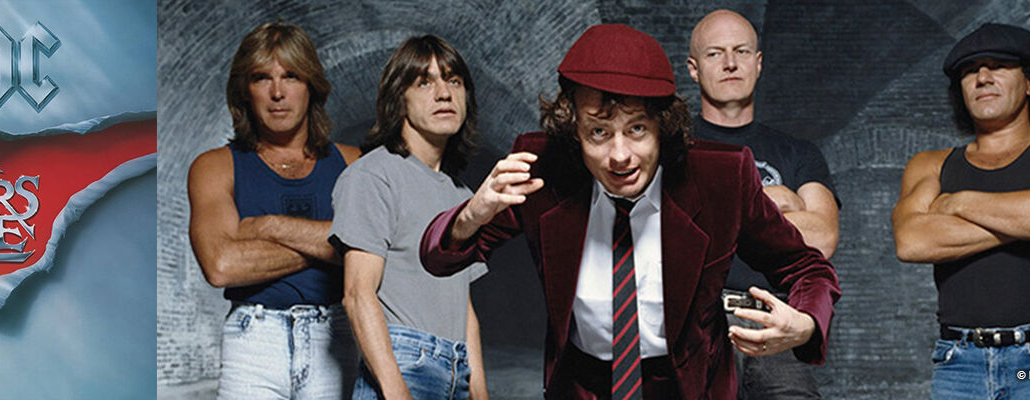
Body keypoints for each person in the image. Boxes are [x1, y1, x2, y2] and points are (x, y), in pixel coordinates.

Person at [420, 24, 840, 399]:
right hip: (582, 384)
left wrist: (806, 322)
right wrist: (471, 214)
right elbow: (438, 260)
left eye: (637, 129)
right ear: (574, 131)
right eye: (598, 132)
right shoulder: (540, 171)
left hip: (689, 387)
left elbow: (808, 267)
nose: (619, 155)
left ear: (663, 125)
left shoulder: (721, 179)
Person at [891, 23, 1030, 400]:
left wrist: (957, 203)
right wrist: (1028, 220)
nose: (983, 77)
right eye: (970, 70)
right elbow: (912, 242)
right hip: (958, 362)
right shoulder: (930, 164)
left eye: (998, 65)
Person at [187, 22, 362, 399]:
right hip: (254, 342)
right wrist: (333, 244)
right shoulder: (215, 166)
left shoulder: (353, 163)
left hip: (336, 336)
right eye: (262, 78)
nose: (278, 92)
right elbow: (221, 266)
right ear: (245, 90)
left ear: (312, 85)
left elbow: (373, 248)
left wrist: (267, 226)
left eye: (291, 76)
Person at [684, 10, 839, 399]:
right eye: (715, 53)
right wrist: (778, 200)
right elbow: (673, 231)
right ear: (693, 69)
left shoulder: (798, 152)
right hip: (694, 325)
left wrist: (718, 205)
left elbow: (822, 238)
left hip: (777, 322)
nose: (730, 63)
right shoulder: (673, 147)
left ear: (758, 63)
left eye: (741, 51)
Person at [329, 34, 489, 400]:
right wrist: (396, 391)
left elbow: (463, 307)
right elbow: (357, 294)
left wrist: (480, 392)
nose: (444, 93)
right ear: (399, 98)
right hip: (404, 363)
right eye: (424, 82)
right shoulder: (373, 175)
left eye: (454, 81)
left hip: (457, 368)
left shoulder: (463, 196)